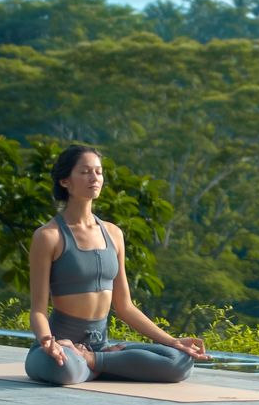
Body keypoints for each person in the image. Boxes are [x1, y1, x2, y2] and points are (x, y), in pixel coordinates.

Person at [25, 144, 208, 385]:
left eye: (98, 172)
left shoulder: (113, 233)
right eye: (85, 172)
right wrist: (48, 342)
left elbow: (125, 307)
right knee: (63, 368)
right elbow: (38, 310)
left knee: (180, 361)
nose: (94, 178)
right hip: (60, 347)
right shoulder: (49, 236)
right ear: (65, 181)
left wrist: (172, 341)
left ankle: (93, 361)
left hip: (101, 346)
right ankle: (99, 363)